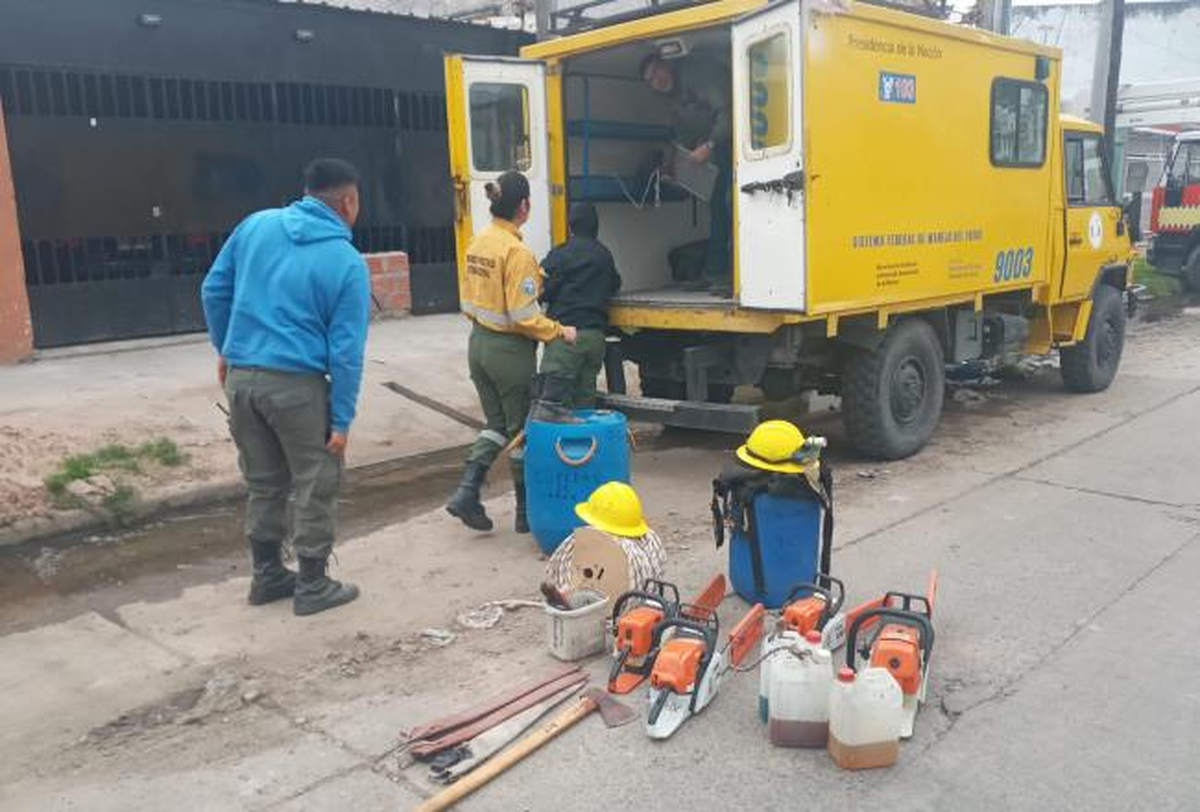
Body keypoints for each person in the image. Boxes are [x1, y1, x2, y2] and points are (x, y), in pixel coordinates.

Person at [202, 158, 369, 617]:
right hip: (297, 387)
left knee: (263, 481)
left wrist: (226, 347)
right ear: (349, 201)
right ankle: (313, 585)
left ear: (307, 192)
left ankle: (268, 575)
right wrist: (341, 419)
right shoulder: (346, 262)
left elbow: (213, 290)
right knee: (317, 479)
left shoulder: (255, 226)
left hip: (242, 382)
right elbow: (346, 352)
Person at [446, 171, 577, 535]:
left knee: (496, 426)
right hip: (509, 351)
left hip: (478, 345)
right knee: (521, 431)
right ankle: (523, 513)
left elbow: (469, 298)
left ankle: (467, 491)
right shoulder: (516, 252)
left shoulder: (478, 242)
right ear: (524, 206)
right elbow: (523, 316)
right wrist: (558, 331)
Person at [640, 52, 733, 297]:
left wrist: (710, 145)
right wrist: (674, 168)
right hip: (715, 151)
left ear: (666, 63)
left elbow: (729, 109)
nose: (655, 82)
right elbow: (681, 134)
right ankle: (716, 273)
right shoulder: (674, 96)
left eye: (655, 73)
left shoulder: (699, 71)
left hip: (735, 145)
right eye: (649, 81)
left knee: (729, 204)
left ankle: (733, 274)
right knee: (718, 209)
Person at [537, 202, 621, 412]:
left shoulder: (561, 254)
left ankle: (556, 445)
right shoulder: (604, 255)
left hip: (566, 338)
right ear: (596, 227)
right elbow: (615, 284)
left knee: (553, 408)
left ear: (570, 227)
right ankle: (584, 444)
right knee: (585, 406)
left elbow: (542, 289)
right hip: (594, 339)